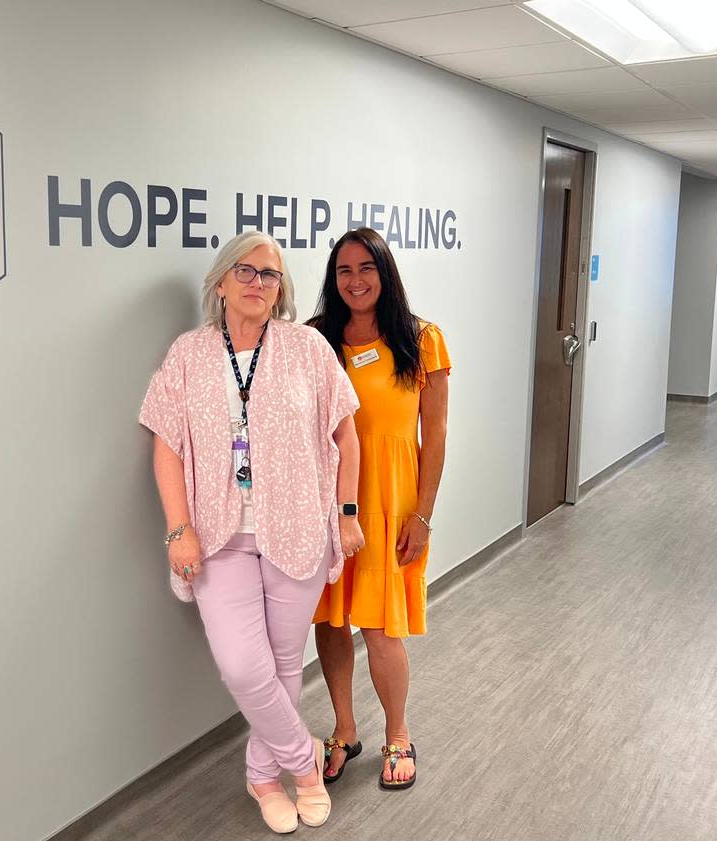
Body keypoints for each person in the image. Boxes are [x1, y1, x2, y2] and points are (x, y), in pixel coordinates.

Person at [139, 230, 363, 833]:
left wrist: (346, 515)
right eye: (247, 270)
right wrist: (177, 529)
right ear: (220, 280)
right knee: (243, 666)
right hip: (217, 536)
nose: (259, 283)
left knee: (284, 663)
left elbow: (347, 437)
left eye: (271, 274)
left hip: (296, 529)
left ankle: (263, 777)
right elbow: (165, 449)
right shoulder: (187, 353)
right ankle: (304, 763)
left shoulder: (308, 348)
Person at [309, 227, 451, 791]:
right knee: (330, 621)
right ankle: (344, 730)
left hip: (390, 504)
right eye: (344, 271)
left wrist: (422, 514)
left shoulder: (421, 339)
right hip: (329, 505)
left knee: (379, 628)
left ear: (385, 272)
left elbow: (434, 438)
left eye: (366, 268)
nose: (355, 281)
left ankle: (398, 734)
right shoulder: (316, 339)